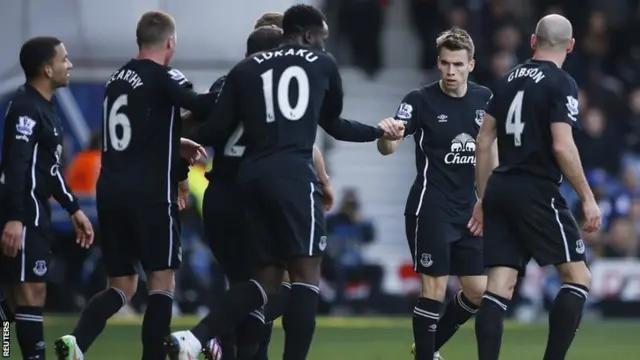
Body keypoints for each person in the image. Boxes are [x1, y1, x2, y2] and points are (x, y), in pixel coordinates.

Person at [165, 4, 403, 360]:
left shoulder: (243, 72)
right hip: (293, 180)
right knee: (305, 278)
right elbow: (332, 124)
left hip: (245, 185)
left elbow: (211, 128)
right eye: (321, 36)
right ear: (308, 35)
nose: (323, 43)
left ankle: (197, 338)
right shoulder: (319, 65)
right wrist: (376, 132)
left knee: (261, 285)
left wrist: (173, 148)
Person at [54, 11, 214, 360]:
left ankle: (76, 342)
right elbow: (201, 106)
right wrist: (228, 88)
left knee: (122, 284)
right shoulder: (165, 75)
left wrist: (174, 140)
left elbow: (138, 133)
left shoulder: (116, 80)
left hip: (110, 193)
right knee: (161, 283)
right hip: (151, 196)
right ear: (170, 42)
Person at [185, 21, 332, 360]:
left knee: (247, 287)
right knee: (282, 286)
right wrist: (322, 180)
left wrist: (179, 166)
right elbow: (304, 142)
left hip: (219, 196)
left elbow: (191, 121)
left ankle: (217, 341)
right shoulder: (281, 88)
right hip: (258, 196)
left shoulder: (226, 84)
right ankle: (208, 335)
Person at [472, 14, 600, 360]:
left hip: (499, 186)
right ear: (570, 46)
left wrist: (483, 198)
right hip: (535, 188)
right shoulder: (562, 83)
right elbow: (562, 145)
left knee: (499, 286)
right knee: (577, 277)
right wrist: (588, 197)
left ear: (532, 41)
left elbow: (484, 140)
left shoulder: (507, 79)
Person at [377, 28, 492, 360]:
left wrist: (488, 200)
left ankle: (427, 348)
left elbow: (492, 151)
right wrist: (388, 136)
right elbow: (389, 147)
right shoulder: (418, 100)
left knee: (477, 291)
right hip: (431, 208)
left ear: (471, 64)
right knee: (435, 289)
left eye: (458, 64)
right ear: (438, 63)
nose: (450, 72)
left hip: (470, 210)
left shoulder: (486, 100)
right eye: (444, 63)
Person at [0, 36, 94, 360]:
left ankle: (4, 348)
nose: (69, 65)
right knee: (30, 293)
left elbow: (49, 170)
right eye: (64, 59)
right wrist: (14, 217)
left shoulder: (46, 109)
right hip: (23, 213)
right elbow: (17, 164)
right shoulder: (27, 107)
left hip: (34, 212)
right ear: (47, 69)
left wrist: (73, 209)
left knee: (15, 299)